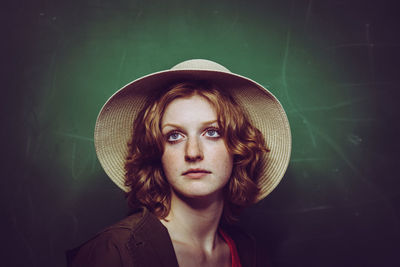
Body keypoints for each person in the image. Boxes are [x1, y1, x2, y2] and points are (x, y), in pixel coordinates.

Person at [66, 59, 291, 267]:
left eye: (212, 132)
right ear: (156, 152)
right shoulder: (115, 251)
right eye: (174, 136)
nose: (193, 152)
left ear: (238, 148)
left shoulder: (250, 254)